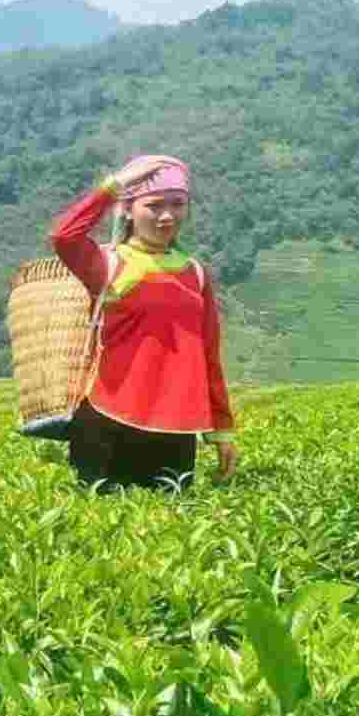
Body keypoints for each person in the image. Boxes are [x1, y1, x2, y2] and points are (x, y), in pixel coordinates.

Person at [47, 154, 237, 491]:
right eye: (153, 205)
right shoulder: (108, 264)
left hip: (175, 430)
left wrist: (221, 430)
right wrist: (113, 186)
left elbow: (207, 356)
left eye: (177, 204)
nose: (167, 216)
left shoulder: (195, 273)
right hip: (106, 422)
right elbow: (64, 237)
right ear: (128, 210)